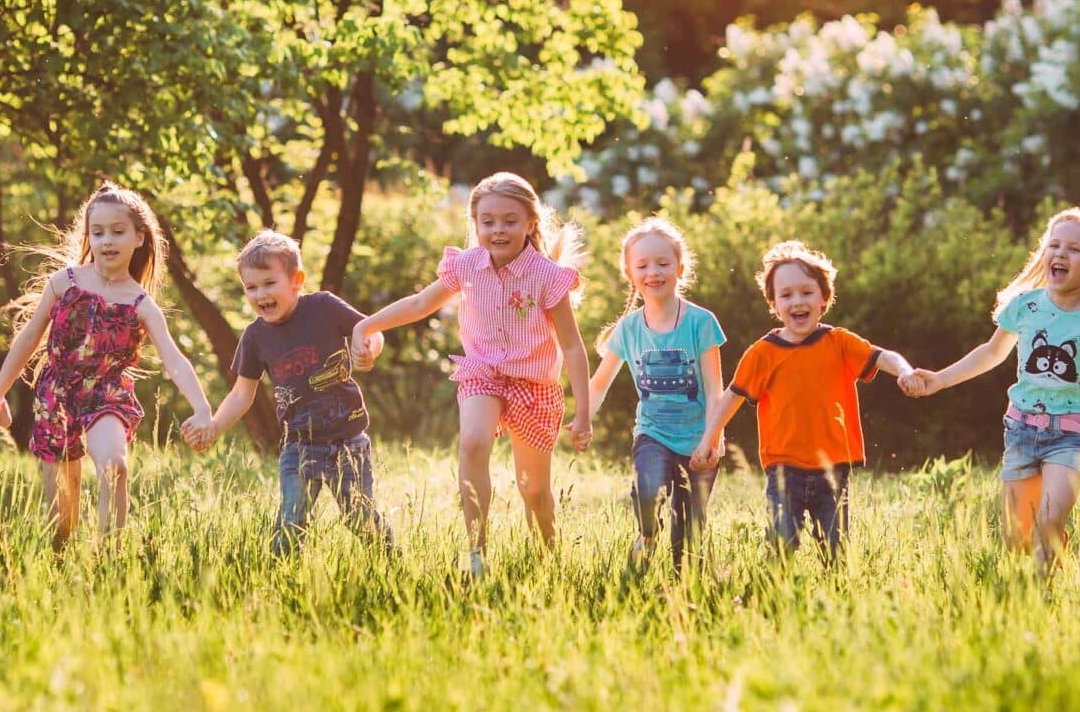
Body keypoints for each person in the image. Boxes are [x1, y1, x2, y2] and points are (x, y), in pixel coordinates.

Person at [350, 173, 591, 577]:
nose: (498, 230)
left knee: (533, 490)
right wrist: (366, 326)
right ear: (475, 223)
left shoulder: (547, 276)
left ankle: (549, 562)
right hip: (483, 373)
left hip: (534, 384)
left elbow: (572, 347)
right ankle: (477, 555)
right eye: (488, 221)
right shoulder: (466, 265)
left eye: (510, 221)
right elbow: (420, 302)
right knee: (473, 442)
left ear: (531, 223)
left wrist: (582, 412)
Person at [902, 207, 1080, 575]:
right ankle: (1051, 547)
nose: (1060, 253)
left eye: (1073, 249)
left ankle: (1040, 594)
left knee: (1047, 522)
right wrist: (940, 379)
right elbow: (991, 353)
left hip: (1071, 434)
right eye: (1054, 245)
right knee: (1016, 538)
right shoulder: (1024, 306)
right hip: (1021, 429)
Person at [0, 182, 211, 541]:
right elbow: (29, 339)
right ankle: (60, 566)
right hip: (56, 394)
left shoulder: (141, 304)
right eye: (97, 232)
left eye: (118, 232)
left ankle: (109, 558)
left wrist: (202, 409)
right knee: (62, 520)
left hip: (107, 393)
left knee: (115, 466)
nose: (106, 241)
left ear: (139, 238)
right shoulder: (64, 283)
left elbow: (175, 360)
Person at [692, 240, 915, 564]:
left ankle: (838, 601)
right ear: (774, 304)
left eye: (807, 292)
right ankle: (774, 599)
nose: (797, 301)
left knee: (836, 549)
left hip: (833, 467)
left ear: (824, 298)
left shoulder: (839, 342)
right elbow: (732, 396)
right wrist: (708, 438)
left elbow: (882, 356)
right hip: (784, 468)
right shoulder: (762, 353)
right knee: (781, 543)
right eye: (786, 295)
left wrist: (904, 371)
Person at [184, 230, 393, 555]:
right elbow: (241, 395)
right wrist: (213, 427)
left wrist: (369, 347)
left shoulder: (323, 307)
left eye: (269, 283)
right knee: (291, 521)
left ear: (296, 280)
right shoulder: (255, 337)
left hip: (347, 440)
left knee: (359, 517)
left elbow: (370, 328)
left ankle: (389, 561)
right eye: (251, 287)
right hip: (298, 444)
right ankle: (281, 578)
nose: (260, 294)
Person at [586, 217, 725, 571]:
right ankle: (647, 534)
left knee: (688, 542)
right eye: (643, 265)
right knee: (647, 492)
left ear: (679, 268)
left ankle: (684, 597)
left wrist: (713, 438)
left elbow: (713, 387)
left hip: (700, 438)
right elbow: (599, 383)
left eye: (663, 263)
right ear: (630, 274)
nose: (654, 272)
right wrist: (581, 418)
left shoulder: (702, 322)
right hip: (653, 434)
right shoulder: (628, 328)